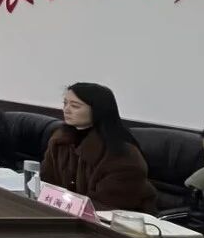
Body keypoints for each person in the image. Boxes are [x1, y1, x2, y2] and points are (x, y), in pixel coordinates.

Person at [40, 83, 156, 213]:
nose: (66, 110)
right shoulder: (60, 140)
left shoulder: (122, 153)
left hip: (117, 219)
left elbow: (107, 205)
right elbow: (46, 181)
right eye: (65, 103)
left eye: (75, 106)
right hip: (66, 213)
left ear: (98, 110)